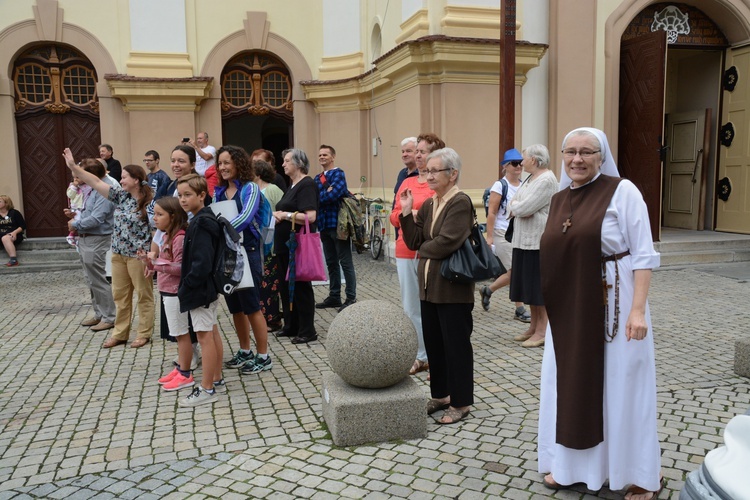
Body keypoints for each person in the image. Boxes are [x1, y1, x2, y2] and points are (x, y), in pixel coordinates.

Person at [537, 128, 662, 499]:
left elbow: (643, 255)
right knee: (567, 384)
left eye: (587, 152)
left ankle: (638, 475)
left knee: (623, 387)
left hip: (616, 306)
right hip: (570, 307)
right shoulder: (560, 199)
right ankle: (570, 467)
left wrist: (637, 311)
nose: (577, 159)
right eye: (570, 152)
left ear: (601, 155)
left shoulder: (623, 192)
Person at [399, 147, 475, 425]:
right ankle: (441, 395)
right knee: (435, 344)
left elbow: (446, 242)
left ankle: (462, 401)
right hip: (429, 287)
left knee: (456, 346)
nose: (428, 175)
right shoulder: (430, 203)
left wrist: (424, 248)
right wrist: (407, 213)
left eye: (434, 171)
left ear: (452, 174)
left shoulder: (460, 202)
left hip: (453, 288)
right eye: (426, 170)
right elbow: (414, 241)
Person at [63, 149, 155, 349]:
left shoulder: (149, 202)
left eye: (124, 178)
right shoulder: (120, 197)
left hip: (138, 256)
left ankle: (144, 333)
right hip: (118, 253)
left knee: (143, 295)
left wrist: (152, 256)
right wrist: (73, 167)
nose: (120, 181)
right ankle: (120, 333)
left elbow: (157, 231)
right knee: (120, 296)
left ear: (136, 180)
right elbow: (96, 182)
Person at [214, 145, 273, 375]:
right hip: (228, 253)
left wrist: (220, 234)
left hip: (248, 251)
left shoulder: (250, 189)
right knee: (235, 307)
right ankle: (245, 350)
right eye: (220, 163)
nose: (223, 167)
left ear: (239, 163)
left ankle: (263, 356)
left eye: (227, 162)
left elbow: (246, 217)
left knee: (251, 306)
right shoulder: (219, 192)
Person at [390, 133, 444, 377]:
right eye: (418, 151)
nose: (418, 155)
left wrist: (413, 215)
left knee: (434, 305)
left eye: (423, 151)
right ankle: (421, 356)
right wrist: (405, 214)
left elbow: (438, 217)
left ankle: (438, 356)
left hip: (430, 251)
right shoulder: (407, 183)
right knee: (411, 307)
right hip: (405, 249)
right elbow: (394, 216)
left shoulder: (439, 185)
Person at [176, 174, 225, 406]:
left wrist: (187, 284)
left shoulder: (202, 222)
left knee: (205, 336)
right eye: (180, 195)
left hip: (201, 289)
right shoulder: (202, 218)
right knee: (211, 333)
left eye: (188, 195)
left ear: (202, 195)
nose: (183, 200)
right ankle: (216, 380)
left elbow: (202, 263)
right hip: (205, 288)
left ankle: (207, 389)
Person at [507, 144, 557, 348]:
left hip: (537, 242)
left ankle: (543, 331)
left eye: (524, 158)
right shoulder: (530, 178)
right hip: (523, 241)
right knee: (529, 287)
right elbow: (515, 202)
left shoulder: (546, 179)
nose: (521, 161)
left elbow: (525, 206)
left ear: (535, 160)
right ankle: (533, 326)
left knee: (538, 288)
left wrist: (519, 208)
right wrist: (519, 208)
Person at [144, 197, 194, 392]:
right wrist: (150, 263)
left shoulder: (179, 238)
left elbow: (181, 267)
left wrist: (157, 265)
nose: (154, 218)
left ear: (172, 217)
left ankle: (185, 373)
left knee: (182, 334)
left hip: (175, 292)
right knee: (176, 333)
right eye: (154, 214)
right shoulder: (166, 236)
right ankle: (181, 367)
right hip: (167, 291)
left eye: (159, 214)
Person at [272, 148, 319, 344]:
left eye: (287, 161)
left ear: (299, 164)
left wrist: (285, 215)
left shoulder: (307, 184)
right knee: (285, 286)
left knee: (300, 287)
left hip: (297, 245)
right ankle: (292, 324)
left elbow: (310, 216)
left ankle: (307, 330)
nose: (283, 164)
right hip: (285, 245)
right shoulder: (293, 185)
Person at [64, 159, 116, 332]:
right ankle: (99, 314)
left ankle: (109, 317)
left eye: (82, 173)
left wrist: (76, 224)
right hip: (86, 238)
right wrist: (76, 215)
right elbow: (89, 212)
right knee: (90, 278)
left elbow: (97, 219)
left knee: (98, 279)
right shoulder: (93, 187)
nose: (79, 177)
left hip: (96, 238)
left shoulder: (104, 189)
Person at [479, 148, 531, 323]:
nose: (519, 167)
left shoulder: (524, 184)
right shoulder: (500, 185)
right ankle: (520, 309)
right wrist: (490, 236)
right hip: (502, 232)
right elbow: (492, 212)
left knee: (516, 271)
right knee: (515, 271)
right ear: (506, 166)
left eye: (520, 163)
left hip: (518, 233)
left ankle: (488, 290)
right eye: (515, 163)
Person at [314, 145, 357, 312]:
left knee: (345, 262)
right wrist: (324, 195)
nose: (322, 157)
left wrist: (321, 196)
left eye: (325, 154)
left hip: (339, 224)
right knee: (331, 262)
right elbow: (317, 197)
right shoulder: (318, 177)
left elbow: (334, 195)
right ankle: (334, 296)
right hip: (324, 224)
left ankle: (351, 297)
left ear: (333, 157)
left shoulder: (339, 173)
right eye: (320, 155)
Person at [254, 159, 284, 331]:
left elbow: (281, 209)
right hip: (258, 241)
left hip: (270, 240)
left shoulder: (272, 189)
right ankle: (264, 317)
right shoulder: (251, 190)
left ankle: (273, 319)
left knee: (270, 282)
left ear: (258, 174)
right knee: (261, 282)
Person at [0, 195, 26, 267]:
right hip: (1, 235)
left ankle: (13, 260)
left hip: (14, 235)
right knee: (3, 238)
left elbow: (23, 226)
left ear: (6, 203)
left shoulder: (14, 213)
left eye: (0, 201)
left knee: (5, 238)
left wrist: (14, 232)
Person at [65, 176, 90, 247]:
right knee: (77, 220)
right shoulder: (72, 186)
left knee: (82, 220)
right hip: (76, 207)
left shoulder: (87, 185)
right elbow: (70, 195)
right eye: (74, 177)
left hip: (84, 207)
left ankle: (78, 236)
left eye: (78, 177)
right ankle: (71, 235)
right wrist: (74, 187)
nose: (75, 179)